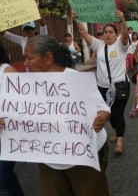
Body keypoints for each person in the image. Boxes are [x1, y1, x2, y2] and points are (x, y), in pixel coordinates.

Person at [23, 34, 111, 196]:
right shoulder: (26, 85)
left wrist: (102, 117)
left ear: (48, 57)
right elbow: (19, 113)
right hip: (50, 160)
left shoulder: (76, 79)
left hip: (84, 156)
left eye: (29, 58)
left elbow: (102, 107)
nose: (25, 63)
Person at [73, 10, 129, 154]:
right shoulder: (98, 45)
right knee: (107, 112)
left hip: (120, 86)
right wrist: (77, 20)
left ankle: (120, 141)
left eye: (111, 32)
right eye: (106, 32)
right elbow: (83, 32)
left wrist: (122, 20)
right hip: (103, 87)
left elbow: (125, 35)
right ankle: (116, 131)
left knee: (118, 113)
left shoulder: (121, 45)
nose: (108, 34)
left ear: (116, 34)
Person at [0, 42, 23, 196]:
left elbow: (23, 105)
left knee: (2, 180)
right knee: (6, 179)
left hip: (6, 136)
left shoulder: (7, 72)